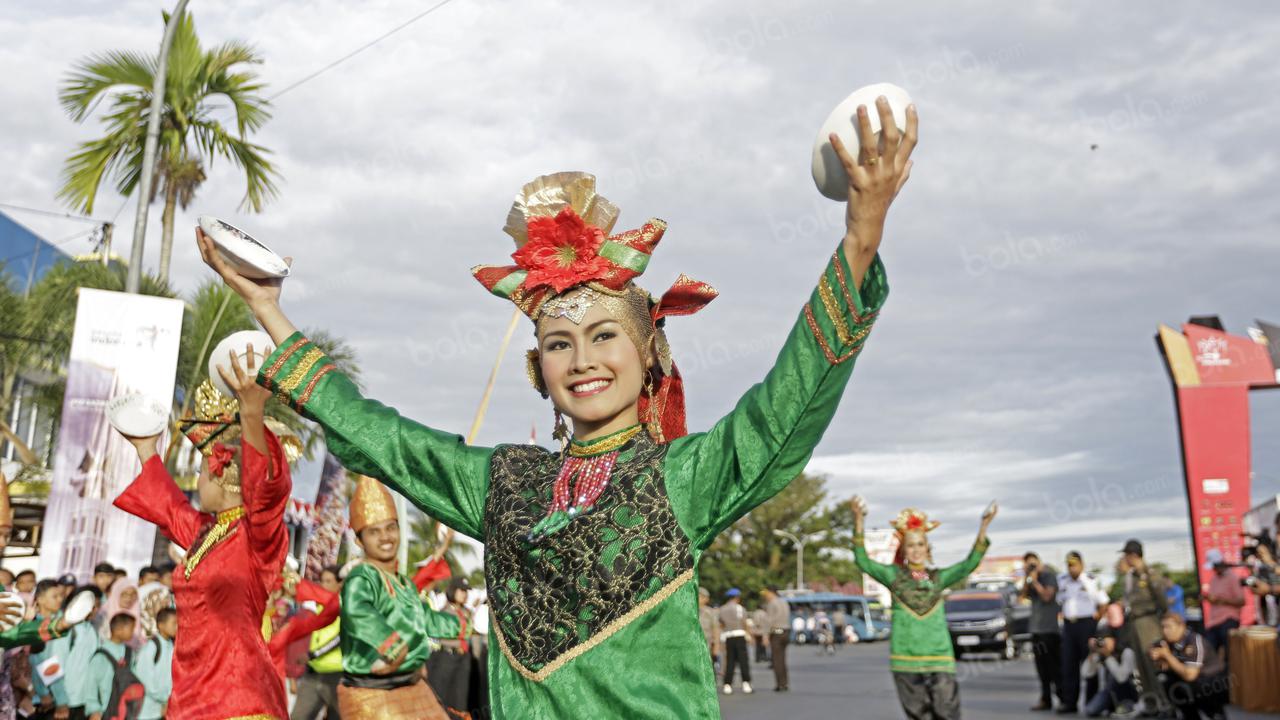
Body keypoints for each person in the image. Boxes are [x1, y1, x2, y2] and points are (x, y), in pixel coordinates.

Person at [199, 92, 909, 719]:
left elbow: (786, 406)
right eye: (560, 344)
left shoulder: (683, 478)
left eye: (604, 336)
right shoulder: (504, 484)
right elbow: (383, 439)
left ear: (649, 353)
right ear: (540, 370)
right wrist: (269, 311)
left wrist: (860, 237)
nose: (584, 360)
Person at [113, 351, 294, 719]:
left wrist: (252, 413)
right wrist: (146, 449)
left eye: (200, 472)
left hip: (238, 698)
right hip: (192, 694)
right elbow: (170, 508)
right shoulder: (208, 534)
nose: (196, 483)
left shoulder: (257, 536)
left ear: (221, 475)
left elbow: (265, 490)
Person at [851, 497, 997, 720]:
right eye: (911, 545)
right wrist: (859, 520)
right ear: (904, 549)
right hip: (905, 658)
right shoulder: (893, 576)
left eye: (920, 544)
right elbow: (863, 561)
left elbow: (969, 563)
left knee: (947, 713)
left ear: (927, 549)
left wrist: (984, 526)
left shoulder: (939, 578)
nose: (916, 550)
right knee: (918, 716)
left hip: (940, 657)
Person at [335, 477, 459, 719]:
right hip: (373, 696)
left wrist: (464, 626)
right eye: (374, 532)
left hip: (413, 688)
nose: (385, 537)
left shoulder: (403, 583)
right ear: (360, 541)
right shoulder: (362, 577)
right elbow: (357, 610)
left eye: (391, 527)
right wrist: (393, 646)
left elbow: (422, 619)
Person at [1120, 539, 1170, 714]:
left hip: (1148, 623)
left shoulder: (1150, 574)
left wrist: (1163, 620)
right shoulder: (1130, 577)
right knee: (1141, 668)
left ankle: (1165, 704)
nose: (1125, 559)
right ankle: (1151, 705)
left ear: (1133, 555)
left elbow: (1162, 601)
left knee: (1153, 665)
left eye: (1126, 555)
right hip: (1134, 624)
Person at [1149, 611, 1228, 720]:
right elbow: (1164, 668)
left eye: (1169, 627)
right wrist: (1158, 659)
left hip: (1213, 682)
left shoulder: (1193, 641)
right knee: (1164, 678)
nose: (1165, 631)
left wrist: (1167, 656)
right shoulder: (1166, 643)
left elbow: (1190, 675)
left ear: (1181, 626)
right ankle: (1190, 716)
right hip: (1193, 681)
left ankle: (1215, 714)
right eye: (1162, 627)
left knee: (1192, 685)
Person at [1058, 550, 1109, 714]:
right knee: (1068, 664)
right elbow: (1058, 601)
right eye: (1069, 566)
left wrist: (1096, 619)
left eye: (1074, 565)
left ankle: (1090, 701)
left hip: (1087, 624)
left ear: (1081, 565)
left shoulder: (1091, 580)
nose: (1072, 569)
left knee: (1089, 664)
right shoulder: (1062, 580)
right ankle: (1069, 702)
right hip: (1069, 625)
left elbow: (1103, 603)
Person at [290, 566, 343, 720]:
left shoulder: (344, 606)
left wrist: (312, 654)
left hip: (337, 675)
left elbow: (340, 638)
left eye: (328, 581)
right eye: (321, 581)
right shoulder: (319, 606)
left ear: (339, 584)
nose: (323, 585)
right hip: (313, 673)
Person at [427, 576, 476, 720]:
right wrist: (459, 642)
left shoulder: (469, 613)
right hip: (446, 658)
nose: (464, 594)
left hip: (463, 659)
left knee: (460, 699)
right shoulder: (444, 613)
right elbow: (441, 637)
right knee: (443, 697)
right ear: (453, 591)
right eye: (461, 590)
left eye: (466, 591)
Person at [1020, 551, 1062, 712]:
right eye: (1028, 564)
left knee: (1054, 668)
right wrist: (1028, 578)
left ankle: (1063, 697)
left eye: (1033, 564)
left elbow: (1047, 597)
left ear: (1039, 562)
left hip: (1049, 631)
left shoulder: (1048, 576)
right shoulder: (1030, 579)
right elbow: (1022, 596)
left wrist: (1036, 580)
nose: (1031, 567)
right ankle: (1046, 699)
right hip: (1037, 631)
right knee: (1041, 669)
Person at [84, 613, 141, 720]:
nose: (133, 633)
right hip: (106, 710)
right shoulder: (101, 655)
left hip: (126, 710)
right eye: (131, 629)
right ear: (118, 630)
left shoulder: (130, 652)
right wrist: (94, 710)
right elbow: (91, 685)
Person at [1082, 622, 1138, 718]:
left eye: (1107, 639)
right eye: (1101, 639)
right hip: (1109, 692)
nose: (1103, 642)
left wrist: (1108, 656)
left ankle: (1126, 706)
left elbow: (1122, 678)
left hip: (1129, 693)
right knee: (1090, 710)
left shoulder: (1127, 652)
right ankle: (1112, 706)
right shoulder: (1101, 653)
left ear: (1114, 639)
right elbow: (1086, 674)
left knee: (1114, 677)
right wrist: (1091, 653)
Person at [132, 608, 175, 720]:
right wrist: (166, 699)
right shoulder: (150, 648)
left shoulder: (172, 645)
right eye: (174, 623)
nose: (177, 627)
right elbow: (146, 682)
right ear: (161, 625)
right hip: (146, 712)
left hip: (164, 709)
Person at [718, 589, 752, 695]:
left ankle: (727, 684)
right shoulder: (740, 608)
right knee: (743, 661)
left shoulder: (722, 609)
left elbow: (721, 623)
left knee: (730, 661)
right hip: (740, 635)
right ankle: (746, 683)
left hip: (728, 635)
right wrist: (748, 634)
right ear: (737, 597)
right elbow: (744, 622)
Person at [760, 588, 790, 692]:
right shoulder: (784, 602)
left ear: (771, 592)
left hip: (776, 632)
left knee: (777, 660)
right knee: (782, 659)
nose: (765, 596)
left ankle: (780, 684)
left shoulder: (772, 603)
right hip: (786, 632)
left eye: (766, 593)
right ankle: (785, 683)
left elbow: (769, 621)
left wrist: (765, 636)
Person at [98, 582, 141, 648]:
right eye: (124, 594)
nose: (129, 598)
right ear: (116, 593)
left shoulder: (140, 614)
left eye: (133, 594)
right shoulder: (103, 614)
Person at [698, 587, 719, 669]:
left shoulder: (710, 612)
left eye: (701, 597)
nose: (699, 598)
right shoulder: (690, 610)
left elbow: (715, 629)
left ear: (706, 599)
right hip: (692, 643)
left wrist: (716, 647)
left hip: (707, 644)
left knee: (707, 666)